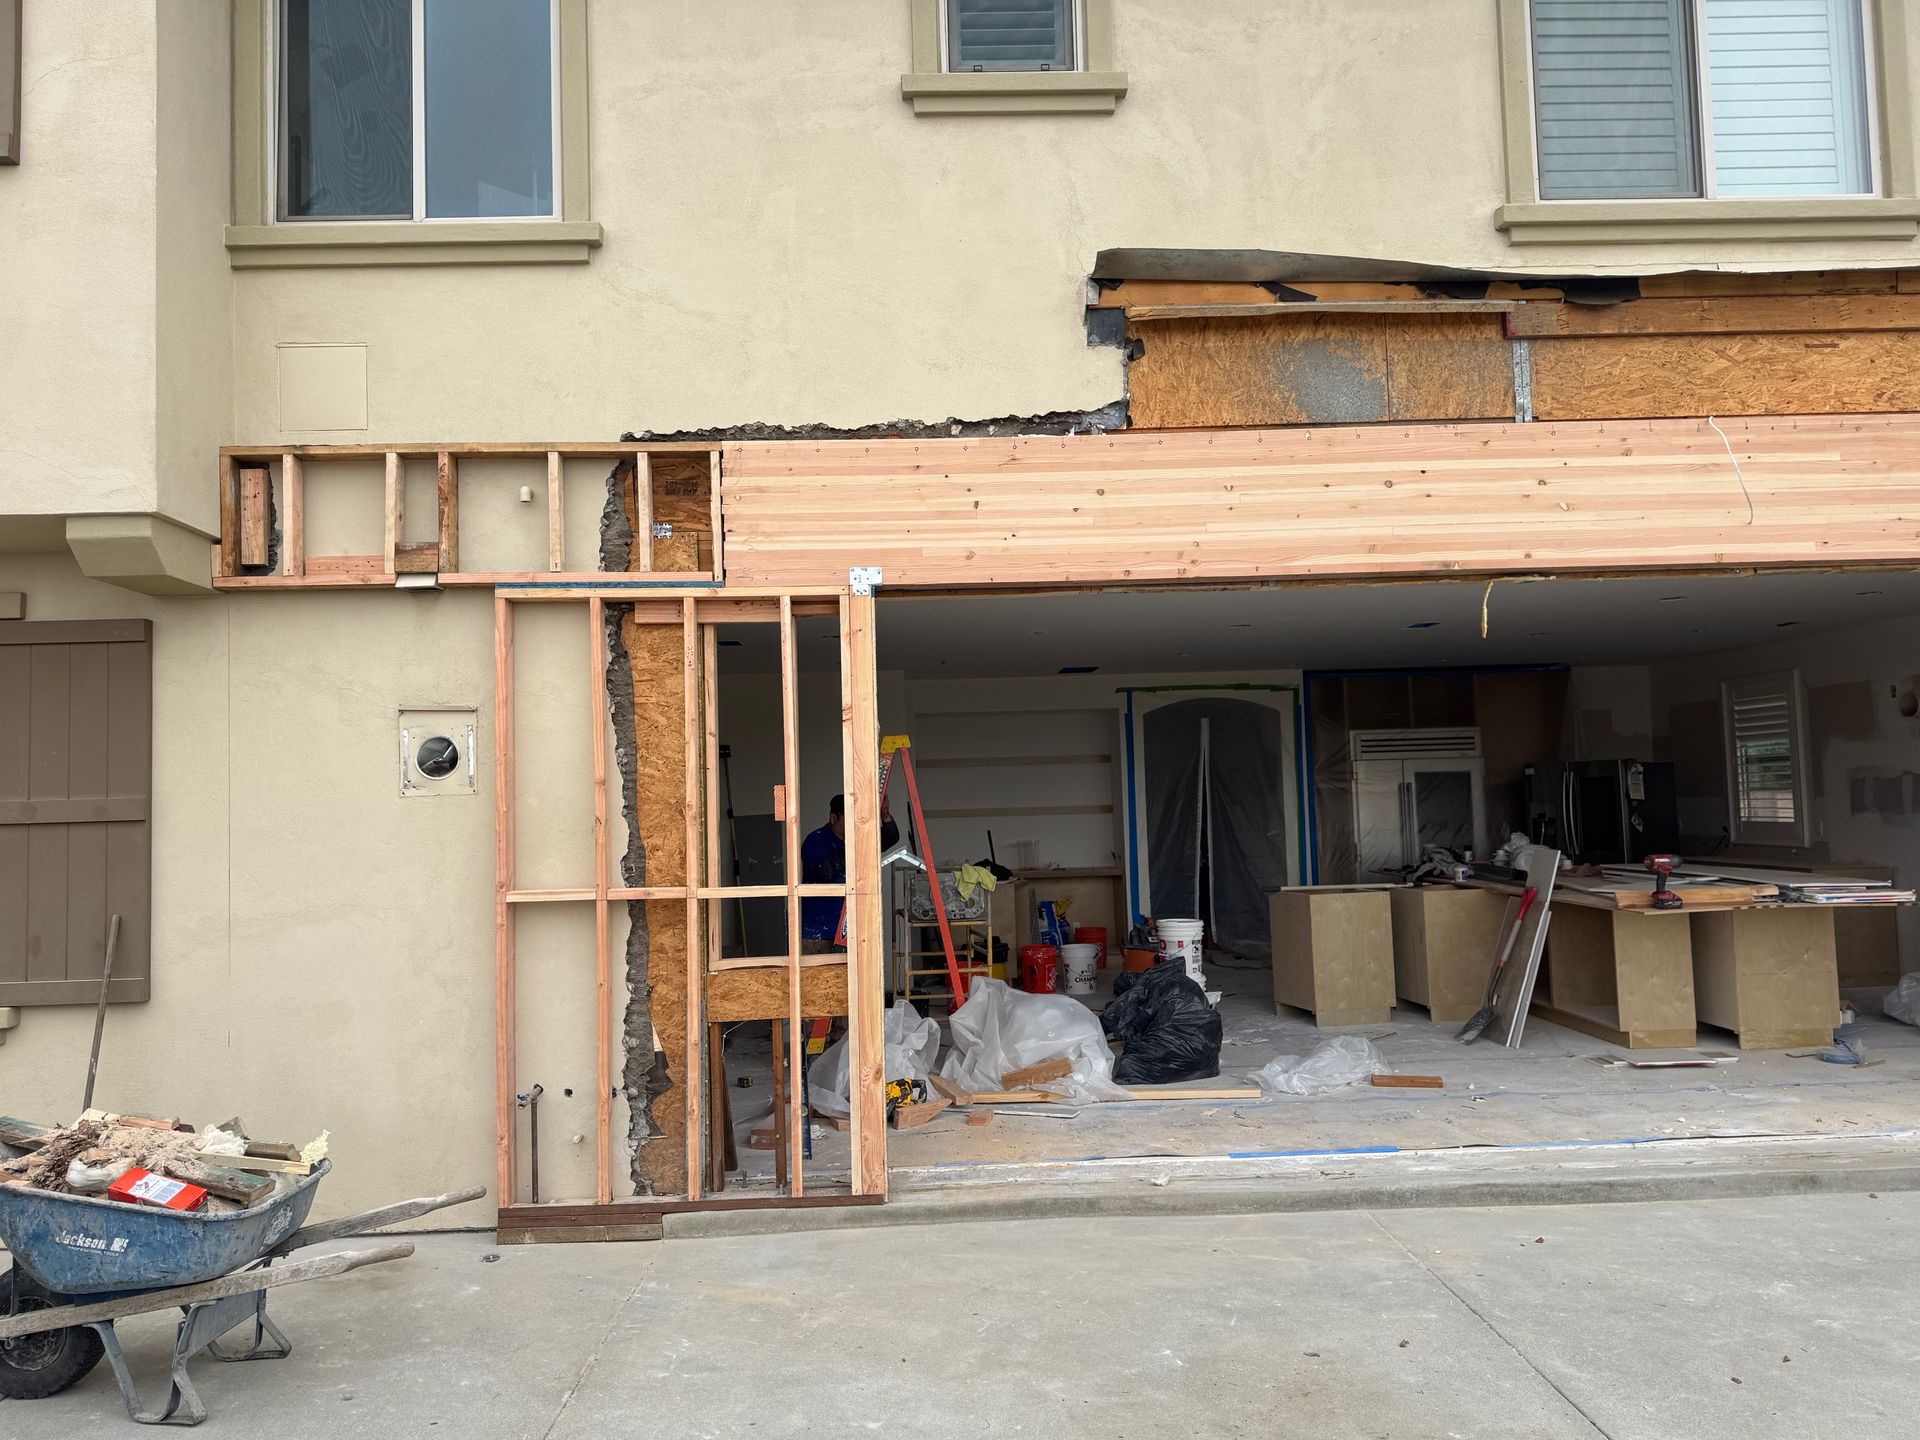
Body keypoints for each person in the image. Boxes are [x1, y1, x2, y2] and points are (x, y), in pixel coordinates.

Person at [799, 792, 898, 952]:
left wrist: (885, 816)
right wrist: (853, 845)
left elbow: (890, 838)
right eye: (849, 816)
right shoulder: (816, 840)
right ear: (834, 818)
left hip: (844, 928)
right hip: (816, 931)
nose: (854, 822)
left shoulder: (853, 840)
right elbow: (824, 873)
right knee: (817, 976)